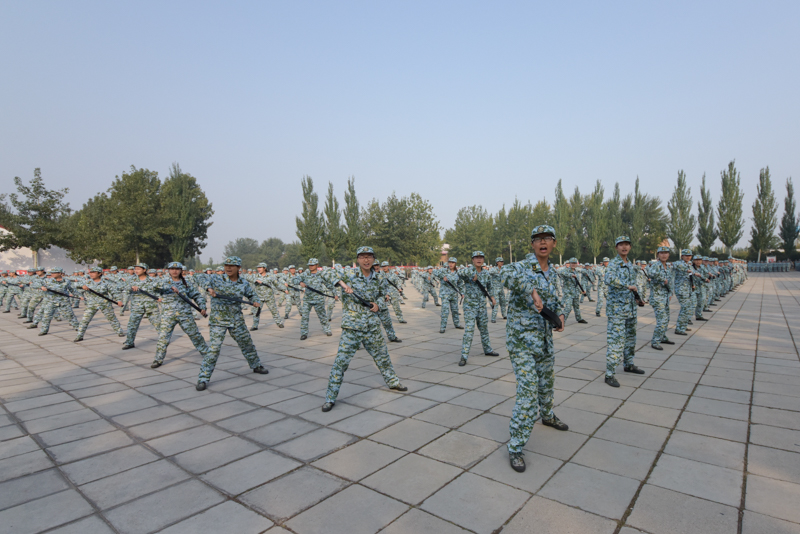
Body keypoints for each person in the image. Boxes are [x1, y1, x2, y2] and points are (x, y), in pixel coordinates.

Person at [503, 225, 568, 472]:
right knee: (528, 391)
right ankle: (515, 446)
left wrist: (560, 315)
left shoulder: (554, 273)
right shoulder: (521, 267)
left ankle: (548, 415)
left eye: (547, 238)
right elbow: (504, 276)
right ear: (532, 244)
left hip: (544, 339)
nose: (542, 242)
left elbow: (558, 299)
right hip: (521, 341)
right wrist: (531, 289)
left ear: (554, 243)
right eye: (538, 239)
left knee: (547, 383)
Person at [320, 246, 406, 412]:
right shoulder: (348, 274)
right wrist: (342, 283)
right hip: (352, 328)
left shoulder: (379, 278)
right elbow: (325, 273)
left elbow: (384, 295)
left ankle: (393, 382)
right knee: (340, 363)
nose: (366, 260)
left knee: (383, 357)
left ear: (373, 259)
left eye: (369, 257)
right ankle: (330, 398)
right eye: (362, 257)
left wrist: (378, 304)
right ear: (358, 259)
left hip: (372, 326)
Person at [194, 256, 268, 390]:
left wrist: (255, 301)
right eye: (226, 265)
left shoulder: (243, 283)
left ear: (238, 267)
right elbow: (199, 277)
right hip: (218, 320)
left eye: (232, 266)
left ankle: (256, 365)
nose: (228, 268)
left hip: (236, 319)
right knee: (214, 349)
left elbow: (252, 295)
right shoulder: (216, 278)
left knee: (247, 343)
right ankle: (203, 378)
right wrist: (208, 288)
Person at [150, 262, 209, 369]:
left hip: (185, 315)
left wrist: (202, 307)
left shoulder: (186, 283)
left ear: (181, 270)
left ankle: (207, 354)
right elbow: (154, 287)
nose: (174, 271)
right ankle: (158, 359)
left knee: (195, 335)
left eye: (177, 269)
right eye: (172, 269)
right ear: (168, 270)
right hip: (168, 315)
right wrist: (170, 286)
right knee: (163, 338)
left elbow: (197, 295)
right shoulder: (163, 281)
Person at [604, 236, 645, 387]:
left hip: (631, 309)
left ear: (630, 247)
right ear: (616, 247)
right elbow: (608, 279)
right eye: (621, 245)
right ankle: (609, 374)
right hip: (617, 310)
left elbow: (635, 285)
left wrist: (638, 298)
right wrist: (626, 286)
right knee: (616, 342)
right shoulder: (614, 264)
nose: (624, 247)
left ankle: (629, 364)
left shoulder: (630, 265)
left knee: (630, 340)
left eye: (627, 244)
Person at [456, 251, 498, 366]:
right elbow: (459, 272)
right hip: (470, 306)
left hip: (482, 306)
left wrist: (492, 297)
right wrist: (471, 274)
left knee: (484, 329)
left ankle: (488, 349)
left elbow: (490, 286)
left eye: (481, 257)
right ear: (473, 260)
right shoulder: (468, 270)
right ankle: (464, 356)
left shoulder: (486, 273)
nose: (479, 259)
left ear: (483, 259)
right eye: (476, 257)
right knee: (469, 331)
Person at [74, 266, 125, 342]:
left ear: (99, 273)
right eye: (90, 272)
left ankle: (119, 331)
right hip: (91, 304)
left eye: (94, 272)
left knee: (112, 319)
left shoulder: (106, 282)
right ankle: (79, 335)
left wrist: (119, 300)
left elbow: (114, 292)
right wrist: (82, 286)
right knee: (85, 320)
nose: (91, 274)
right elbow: (75, 285)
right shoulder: (87, 282)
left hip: (105, 304)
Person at [122, 263, 162, 349]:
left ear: (144, 270)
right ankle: (129, 342)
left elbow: (161, 289)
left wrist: (160, 297)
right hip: (136, 306)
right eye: (135, 269)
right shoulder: (131, 280)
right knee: (132, 325)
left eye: (138, 269)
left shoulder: (153, 280)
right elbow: (122, 288)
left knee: (158, 323)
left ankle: (164, 339)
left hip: (151, 305)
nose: (136, 270)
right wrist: (130, 287)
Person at [294, 258, 335, 340]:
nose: (311, 266)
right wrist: (300, 282)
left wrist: (335, 294)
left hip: (318, 299)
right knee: (304, 317)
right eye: (310, 265)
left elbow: (329, 285)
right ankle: (304, 333)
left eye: (312, 265)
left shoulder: (321, 274)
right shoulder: (305, 274)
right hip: (307, 299)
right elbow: (294, 279)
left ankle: (327, 330)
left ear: (317, 265)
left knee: (322, 316)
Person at [33, 268, 79, 335]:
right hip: (50, 301)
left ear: (60, 273)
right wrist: (41, 287)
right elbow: (33, 285)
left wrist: (79, 296)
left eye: (54, 273)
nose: (52, 274)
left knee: (70, 315)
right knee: (46, 316)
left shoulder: (66, 281)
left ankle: (77, 327)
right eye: (51, 273)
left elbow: (72, 289)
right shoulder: (47, 281)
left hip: (63, 301)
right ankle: (44, 330)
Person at [646, 247, 675, 350]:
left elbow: (670, 280)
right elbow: (651, 273)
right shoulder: (656, 265)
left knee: (667, 319)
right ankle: (655, 341)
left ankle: (662, 337)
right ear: (658, 254)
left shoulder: (668, 266)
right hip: (657, 298)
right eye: (661, 253)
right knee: (661, 320)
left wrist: (670, 292)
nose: (664, 255)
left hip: (665, 297)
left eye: (666, 253)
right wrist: (662, 279)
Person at [250, 262, 286, 330]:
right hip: (259, 297)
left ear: (265, 268)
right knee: (256, 312)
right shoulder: (255, 276)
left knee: (274, 310)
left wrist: (284, 289)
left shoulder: (271, 276)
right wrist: (255, 280)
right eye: (258, 268)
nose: (258, 269)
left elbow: (277, 284)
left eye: (260, 267)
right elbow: (247, 278)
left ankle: (279, 323)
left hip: (269, 297)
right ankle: (255, 325)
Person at [434, 257, 464, 333]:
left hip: (454, 294)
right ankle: (442, 327)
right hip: (445, 294)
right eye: (450, 262)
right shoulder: (443, 270)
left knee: (455, 310)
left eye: (453, 263)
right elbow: (434, 272)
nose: (451, 264)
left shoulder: (458, 273)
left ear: (455, 264)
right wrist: (442, 276)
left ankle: (457, 324)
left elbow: (460, 283)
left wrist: (462, 292)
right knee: (445, 311)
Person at [673, 249, 696, 336]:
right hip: (681, 290)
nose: (688, 257)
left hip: (688, 290)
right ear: (682, 256)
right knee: (685, 308)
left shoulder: (689, 265)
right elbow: (675, 266)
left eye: (689, 256)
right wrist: (686, 270)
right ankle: (679, 329)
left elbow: (692, 274)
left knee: (688, 308)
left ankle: (683, 326)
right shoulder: (679, 263)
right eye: (686, 255)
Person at [557, 259, 588, 324]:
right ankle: (561, 322)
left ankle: (579, 318)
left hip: (576, 292)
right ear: (570, 264)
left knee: (576, 306)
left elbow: (577, 283)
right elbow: (560, 272)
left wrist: (581, 291)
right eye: (572, 263)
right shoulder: (565, 270)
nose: (573, 264)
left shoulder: (577, 271)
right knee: (568, 308)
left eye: (575, 263)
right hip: (568, 293)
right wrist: (570, 275)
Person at [490, 257, 508, 322]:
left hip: (501, 288)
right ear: (497, 262)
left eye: (503, 261)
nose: (502, 263)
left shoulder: (503, 269)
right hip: (495, 289)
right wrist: (497, 272)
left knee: (503, 302)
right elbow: (489, 273)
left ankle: (504, 315)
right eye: (501, 262)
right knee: (496, 303)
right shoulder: (494, 269)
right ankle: (493, 318)